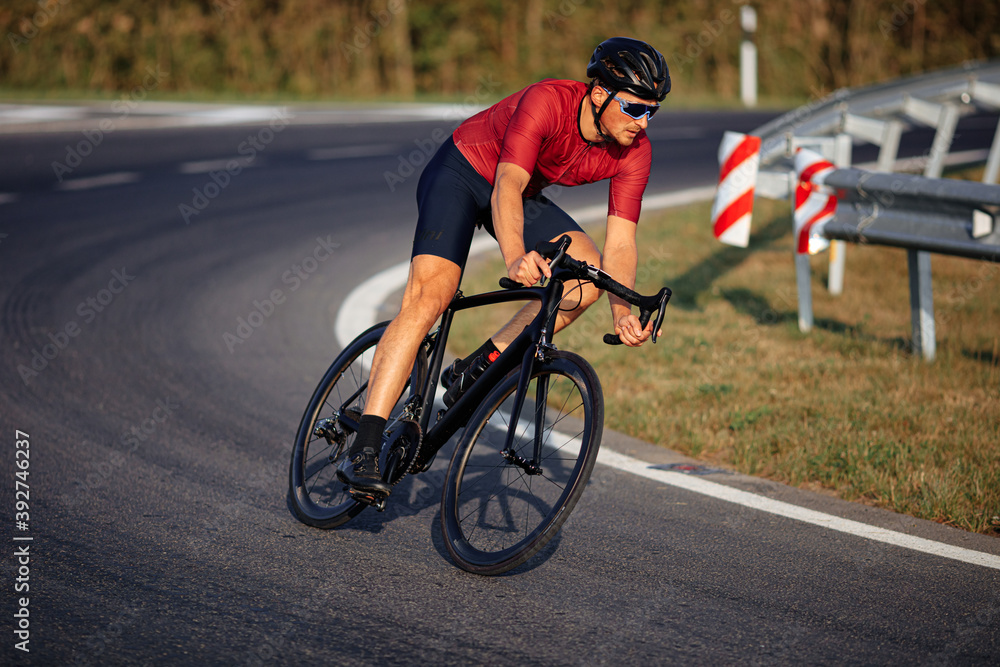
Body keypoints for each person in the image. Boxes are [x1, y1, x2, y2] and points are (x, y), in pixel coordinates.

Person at [338, 36, 671, 496]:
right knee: (431, 295)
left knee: (584, 277)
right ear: (599, 94)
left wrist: (621, 310)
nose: (643, 122)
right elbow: (507, 184)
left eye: (653, 111)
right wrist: (515, 256)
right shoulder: (548, 101)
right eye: (635, 108)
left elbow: (622, 242)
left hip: (523, 197)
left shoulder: (636, 150)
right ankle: (366, 448)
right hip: (463, 174)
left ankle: (478, 365)